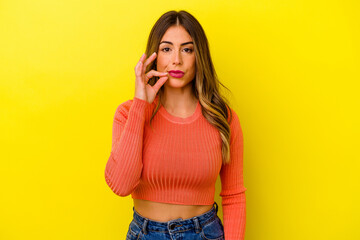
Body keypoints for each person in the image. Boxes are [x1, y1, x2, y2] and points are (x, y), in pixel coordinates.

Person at [104, 10, 247, 240]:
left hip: (204, 233)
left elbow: (234, 196)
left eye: (187, 49)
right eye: (167, 49)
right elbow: (121, 185)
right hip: (146, 233)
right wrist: (141, 105)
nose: (176, 60)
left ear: (199, 55)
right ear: (154, 55)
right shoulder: (129, 113)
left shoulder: (223, 118)